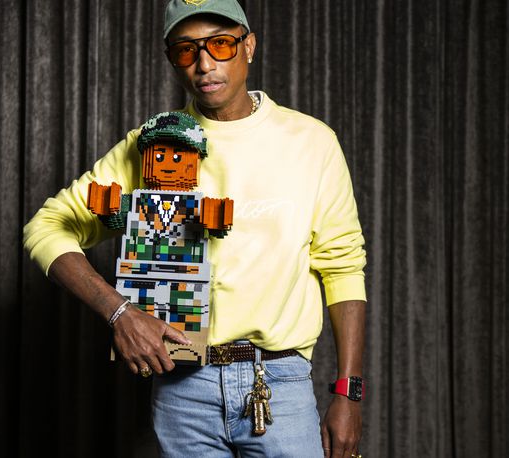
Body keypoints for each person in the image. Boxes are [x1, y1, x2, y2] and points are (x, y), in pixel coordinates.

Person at [23, 1, 367, 457]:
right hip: (183, 386)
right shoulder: (155, 145)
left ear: (249, 46)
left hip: (280, 383)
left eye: (220, 45)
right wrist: (119, 311)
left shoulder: (311, 142)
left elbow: (342, 267)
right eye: (185, 51)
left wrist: (349, 392)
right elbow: (46, 228)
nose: (203, 64)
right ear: (172, 60)